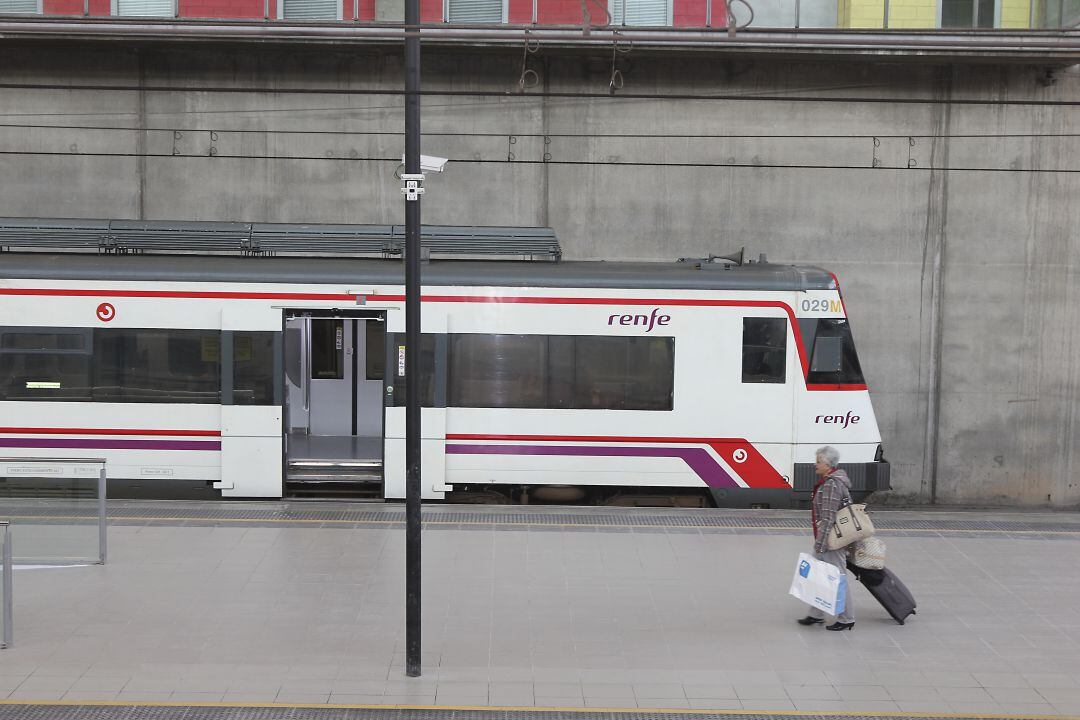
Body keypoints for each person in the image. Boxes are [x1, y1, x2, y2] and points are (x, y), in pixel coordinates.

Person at [797, 445, 855, 631]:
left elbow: (828, 516)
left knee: (838, 577)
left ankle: (847, 618)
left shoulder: (831, 484)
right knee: (818, 576)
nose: (815, 465)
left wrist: (820, 545)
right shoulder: (830, 480)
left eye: (819, 461)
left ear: (828, 464)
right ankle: (816, 614)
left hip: (831, 541)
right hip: (826, 538)